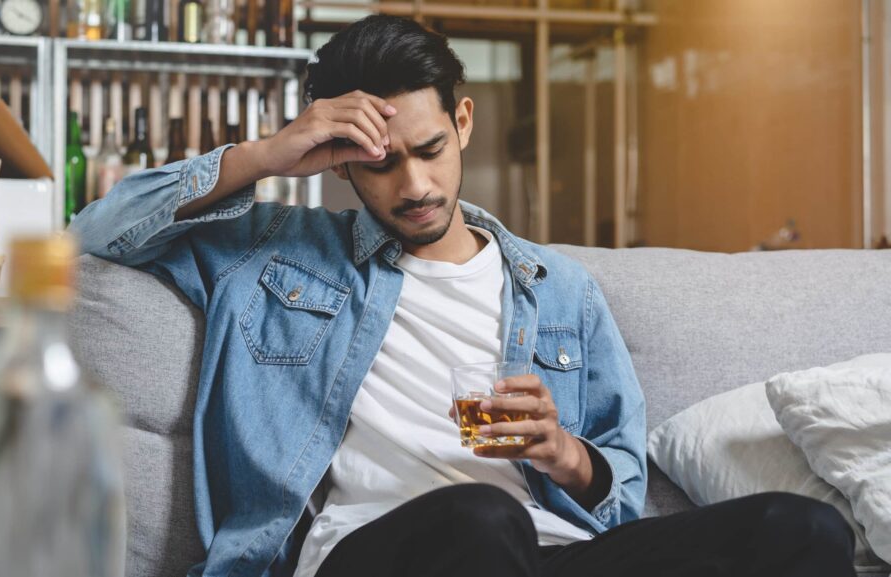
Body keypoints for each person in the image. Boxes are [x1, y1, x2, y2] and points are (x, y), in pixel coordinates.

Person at [70, 14, 856, 577]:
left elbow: (614, 493)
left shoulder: (561, 292)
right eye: (381, 163)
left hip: (547, 550)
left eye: (431, 150)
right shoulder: (277, 252)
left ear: (465, 124)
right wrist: (268, 153)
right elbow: (95, 231)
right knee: (483, 518)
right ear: (341, 160)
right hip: (374, 548)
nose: (414, 185)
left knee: (803, 526)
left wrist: (563, 453)